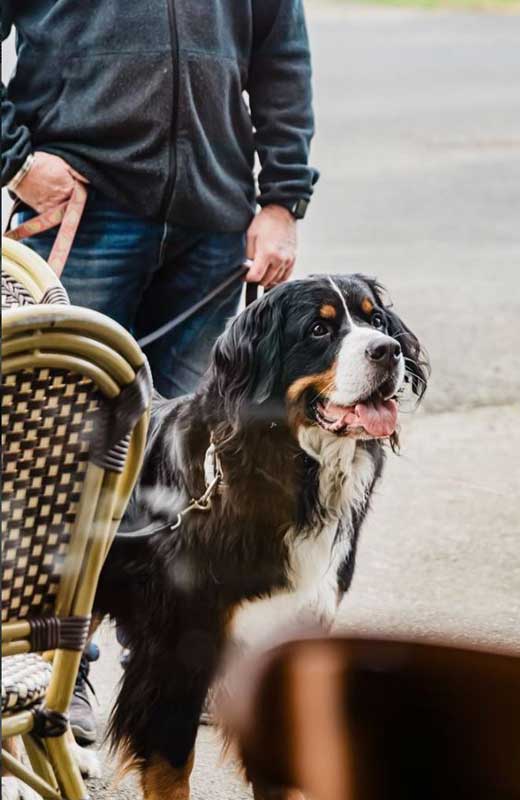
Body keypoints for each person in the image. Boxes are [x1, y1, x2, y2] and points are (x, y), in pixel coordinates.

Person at [2, 0, 318, 744]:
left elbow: (281, 53)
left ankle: (177, 663)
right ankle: (55, 671)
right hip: (83, 210)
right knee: (58, 458)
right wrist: (15, 159)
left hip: (213, 221)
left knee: (190, 466)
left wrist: (281, 198)